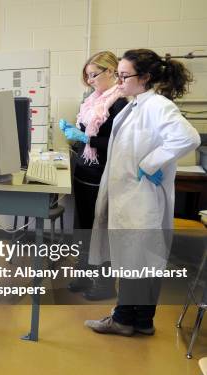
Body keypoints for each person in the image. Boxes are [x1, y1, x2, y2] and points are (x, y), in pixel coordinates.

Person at [85, 49, 201, 336]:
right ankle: (142, 320)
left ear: (145, 77)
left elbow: (188, 137)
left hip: (140, 197)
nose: (119, 81)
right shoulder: (134, 105)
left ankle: (124, 319)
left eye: (124, 76)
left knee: (134, 260)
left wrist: (151, 163)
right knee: (140, 260)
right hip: (130, 195)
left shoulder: (157, 105)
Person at [59, 51, 128, 301]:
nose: (90, 81)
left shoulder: (119, 103)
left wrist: (86, 138)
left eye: (94, 75)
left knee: (101, 230)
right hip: (85, 173)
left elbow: (116, 141)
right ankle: (84, 273)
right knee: (83, 227)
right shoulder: (93, 101)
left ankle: (104, 283)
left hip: (103, 175)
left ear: (111, 72)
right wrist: (74, 130)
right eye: (87, 77)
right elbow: (84, 130)